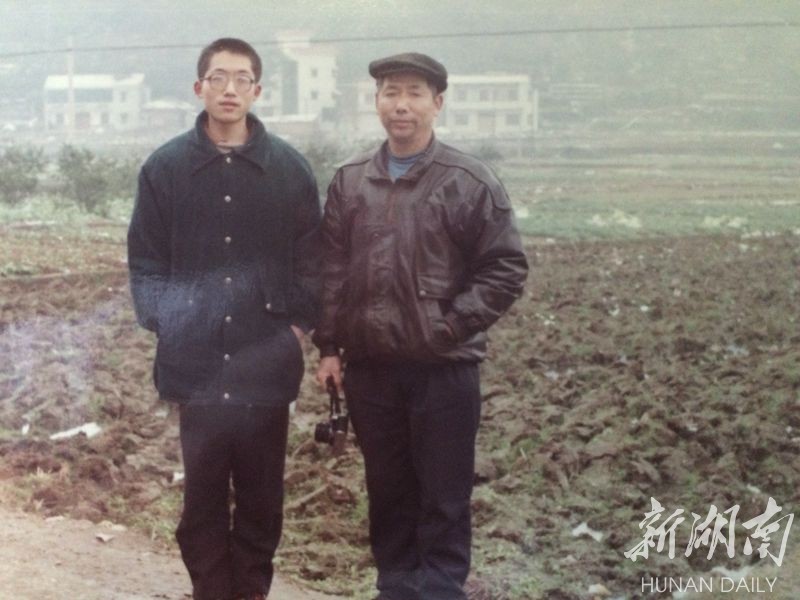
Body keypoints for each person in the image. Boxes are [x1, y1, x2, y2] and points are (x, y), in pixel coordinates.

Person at [313, 53, 529, 600]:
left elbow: (504, 268)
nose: (401, 105)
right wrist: (329, 348)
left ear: (437, 103)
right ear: (377, 102)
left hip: (443, 370)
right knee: (388, 495)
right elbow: (332, 269)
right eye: (391, 93)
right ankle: (395, 590)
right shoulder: (351, 181)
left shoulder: (468, 181)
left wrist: (449, 328)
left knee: (443, 499)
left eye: (413, 93)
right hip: (371, 369)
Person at [127, 38, 320, 600]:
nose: (229, 89)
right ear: (199, 88)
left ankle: (252, 592)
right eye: (218, 78)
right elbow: (145, 261)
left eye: (241, 79)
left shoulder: (289, 169)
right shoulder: (166, 168)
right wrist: (171, 322)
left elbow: (314, 261)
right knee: (203, 499)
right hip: (198, 366)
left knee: (262, 498)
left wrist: (295, 330)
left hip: (266, 363)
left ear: (257, 90)